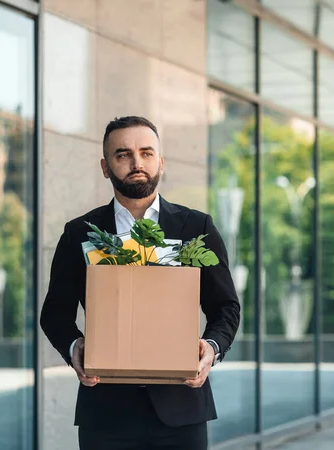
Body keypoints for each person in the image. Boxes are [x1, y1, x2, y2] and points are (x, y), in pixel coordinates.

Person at [40, 116, 240, 450]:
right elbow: (55, 313)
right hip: (105, 414)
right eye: (123, 155)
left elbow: (226, 307)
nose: (137, 163)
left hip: (182, 411)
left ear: (161, 162)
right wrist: (76, 349)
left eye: (146, 153)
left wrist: (212, 349)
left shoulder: (197, 227)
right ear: (105, 167)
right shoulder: (80, 232)